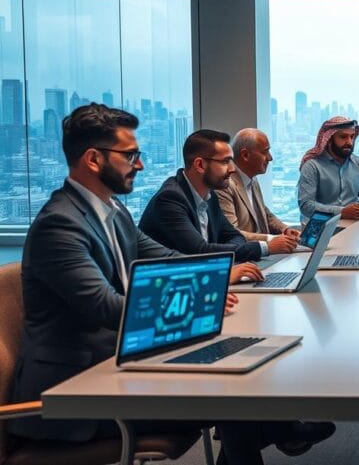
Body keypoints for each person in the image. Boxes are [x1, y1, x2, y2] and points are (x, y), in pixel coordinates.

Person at [8, 104, 333, 463]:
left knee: (241, 382)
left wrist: (208, 281)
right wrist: (200, 300)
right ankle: (282, 430)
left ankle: (279, 429)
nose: (141, 164)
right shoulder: (61, 225)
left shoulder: (113, 212)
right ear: (93, 160)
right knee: (236, 398)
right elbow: (107, 307)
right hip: (75, 393)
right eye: (130, 155)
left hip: (122, 363)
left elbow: (167, 257)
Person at [140, 129, 296, 266]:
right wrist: (266, 247)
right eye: (225, 162)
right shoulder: (170, 199)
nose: (232, 169)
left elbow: (234, 235)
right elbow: (200, 251)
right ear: (200, 165)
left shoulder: (209, 195)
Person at [217, 128, 301, 247]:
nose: (270, 158)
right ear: (245, 155)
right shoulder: (225, 185)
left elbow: (265, 214)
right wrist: (272, 240)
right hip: (247, 257)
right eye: (265, 152)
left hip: (266, 252)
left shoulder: (252, 178)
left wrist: (285, 230)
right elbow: (233, 234)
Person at [297, 117, 359, 221]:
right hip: (320, 227)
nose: (349, 142)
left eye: (352, 137)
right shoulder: (312, 166)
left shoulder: (358, 163)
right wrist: (341, 212)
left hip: (352, 225)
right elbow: (306, 205)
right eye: (343, 137)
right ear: (329, 140)